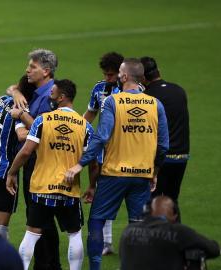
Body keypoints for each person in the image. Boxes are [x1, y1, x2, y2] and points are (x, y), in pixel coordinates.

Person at [65, 58, 169, 270]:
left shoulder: (112, 102)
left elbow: (102, 136)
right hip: (142, 176)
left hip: (114, 174)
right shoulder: (155, 105)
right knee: (138, 227)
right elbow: (164, 145)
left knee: (97, 220)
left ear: (123, 76)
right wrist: (154, 171)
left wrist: (80, 164)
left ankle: (95, 267)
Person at [6, 79, 94, 270]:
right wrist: (92, 185)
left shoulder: (43, 120)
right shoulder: (84, 126)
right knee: (74, 234)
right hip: (69, 190)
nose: (50, 97)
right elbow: (93, 158)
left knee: (31, 234)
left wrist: (12, 173)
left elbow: (26, 151)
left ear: (62, 97)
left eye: (52, 93)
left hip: (42, 188)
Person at [9, 49, 62, 270]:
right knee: (37, 214)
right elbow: (12, 87)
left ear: (46, 71)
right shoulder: (37, 90)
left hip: (41, 162)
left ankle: (48, 264)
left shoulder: (51, 96)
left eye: (32, 67)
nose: (27, 70)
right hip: (35, 161)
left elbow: (45, 130)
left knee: (41, 216)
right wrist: (16, 94)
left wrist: (21, 115)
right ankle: (46, 263)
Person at [0, 75, 35, 239]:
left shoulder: (1, 99)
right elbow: (21, 134)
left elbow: (11, 88)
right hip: (3, 172)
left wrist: (16, 91)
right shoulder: (21, 110)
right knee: (0, 229)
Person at [83, 51, 124, 256]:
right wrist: (78, 128)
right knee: (102, 191)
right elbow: (91, 112)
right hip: (104, 147)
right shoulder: (99, 88)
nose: (108, 78)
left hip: (127, 149)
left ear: (121, 72)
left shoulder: (133, 90)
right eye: (105, 74)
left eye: (111, 74)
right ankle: (106, 241)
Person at [141, 56, 190, 222]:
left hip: (159, 158)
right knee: (172, 200)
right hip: (181, 156)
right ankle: (177, 239)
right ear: (158, 71)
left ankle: (154, 241)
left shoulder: (146, 97)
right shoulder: (179, 90)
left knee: (152, 202)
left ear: (143, 78)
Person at [119, 196, 220, 270]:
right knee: (195, 254)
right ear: (174, 215)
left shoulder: (127, 231)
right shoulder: (178, 231)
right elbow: (214, 249)